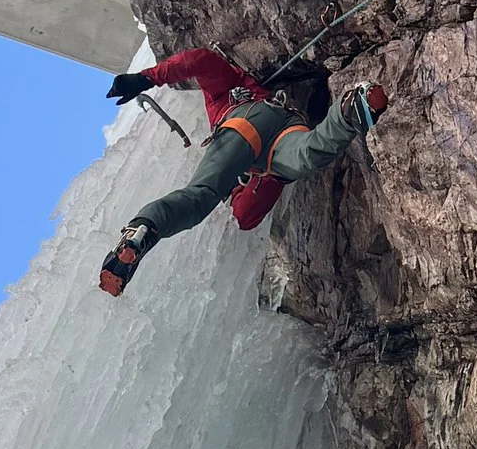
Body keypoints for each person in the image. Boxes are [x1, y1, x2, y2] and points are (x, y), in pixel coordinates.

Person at [98, 46, 388, 296]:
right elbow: (245, 215)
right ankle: (350, 109)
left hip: (243, 128)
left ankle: (147, 227)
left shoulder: (219, 96)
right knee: (306, 155)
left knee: (200, 197)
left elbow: (200, 60)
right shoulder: (228, 89)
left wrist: (146, 77)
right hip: (280, 137)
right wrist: (145, 79)